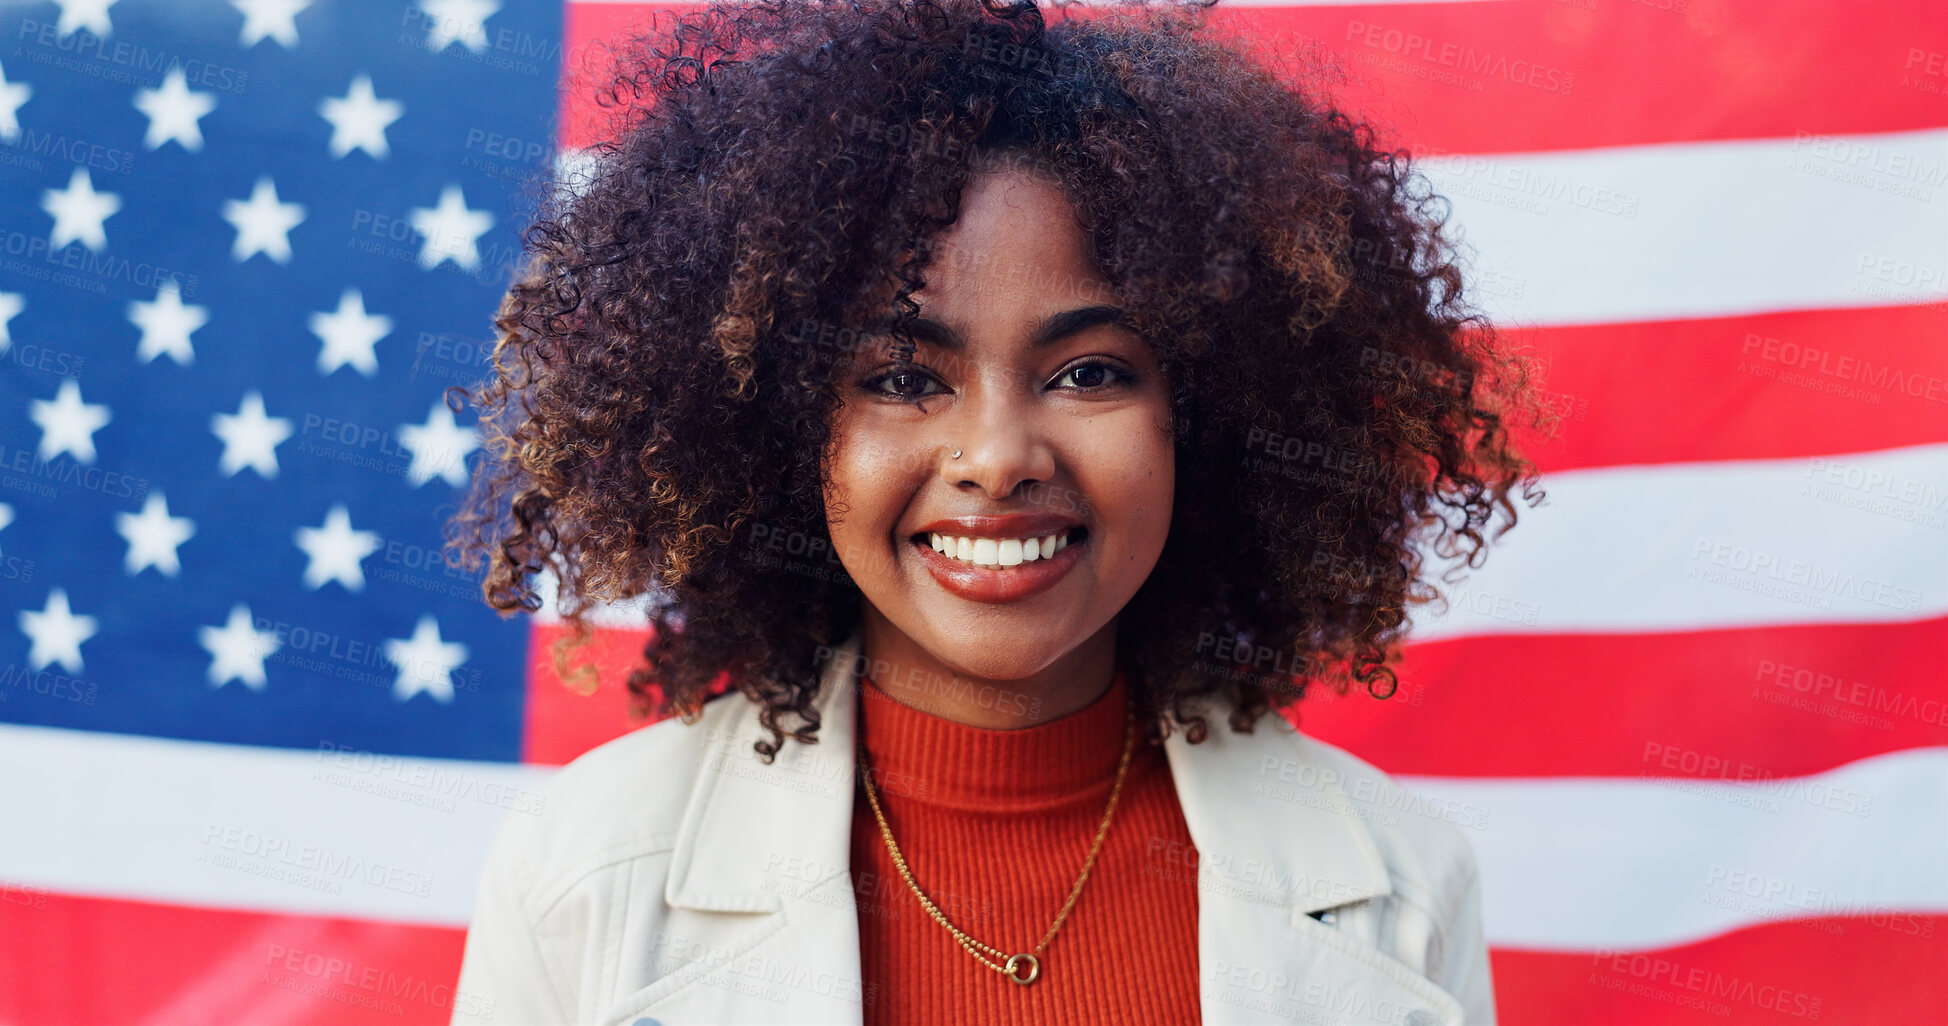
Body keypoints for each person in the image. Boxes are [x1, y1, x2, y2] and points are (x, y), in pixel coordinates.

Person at [444, 0, 1547, 1022]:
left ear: (1203, 419)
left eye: (1089, 373)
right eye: (901, 379)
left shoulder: (1402, 887)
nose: (997, 458)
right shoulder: (583, 872)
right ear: (779, 429)